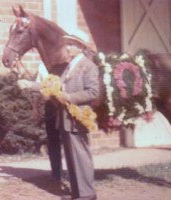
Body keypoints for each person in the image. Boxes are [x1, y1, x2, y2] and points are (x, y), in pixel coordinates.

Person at [52, 33, 99, 200]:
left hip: (78, 118)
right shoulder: (68, 66)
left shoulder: (88, 66)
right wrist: (32, 86)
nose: (67, 47)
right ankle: (77, 193)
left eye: (71, 44)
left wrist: (70, 97)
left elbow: (93, 92)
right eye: (67, 44)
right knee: (71, 157)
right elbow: (56, 86)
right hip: (65, 119)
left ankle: (87, 194)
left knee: (81, 156)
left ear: (81, 47)